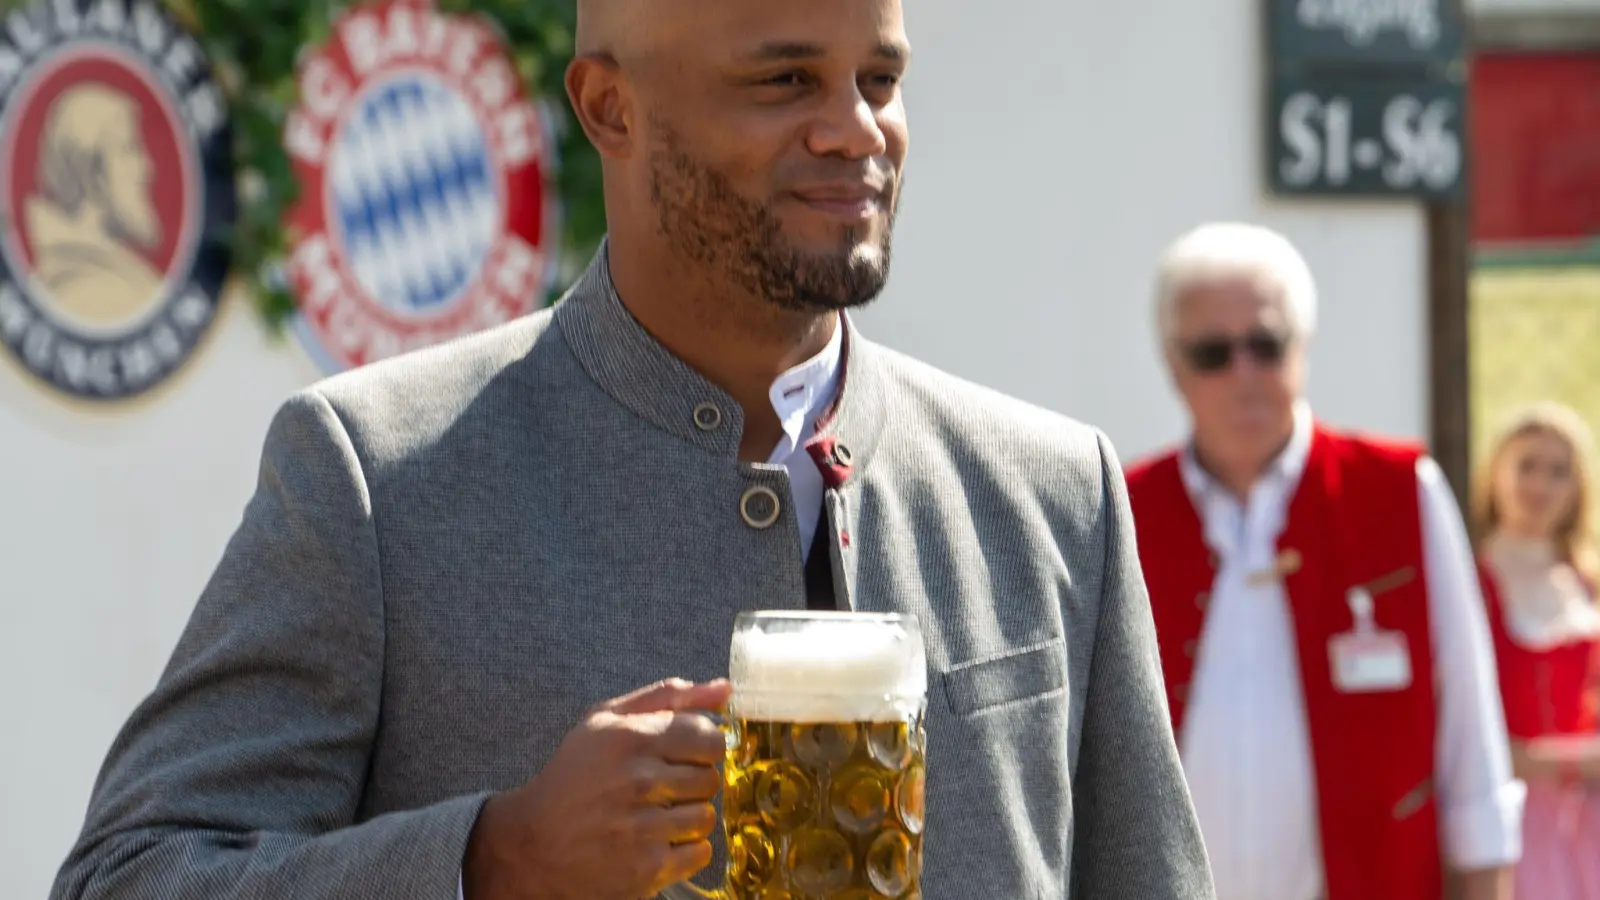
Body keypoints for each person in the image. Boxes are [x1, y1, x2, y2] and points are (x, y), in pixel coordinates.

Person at [49, 2, 1215, 899]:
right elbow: (129, 875)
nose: (855, 131)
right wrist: (492, 862)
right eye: (784, 79)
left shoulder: (1059, 494)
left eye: (880, 79)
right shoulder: (375, 478)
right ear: (609, 107)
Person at [1123, 222, 1524, 900]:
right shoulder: (1123, 510)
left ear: (1303, 347)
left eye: (1267, 345)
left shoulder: (1401, 491)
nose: (1244, 375)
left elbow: (1473, 748)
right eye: (1213, 353)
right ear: (1172, 363)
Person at [1473, 402, 1600, 900]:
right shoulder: (1471, 582)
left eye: (1559, 471)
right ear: (1496, 474)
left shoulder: (1587, 582)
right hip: (1513, 821)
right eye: (1527, 465)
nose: (1541, 485)